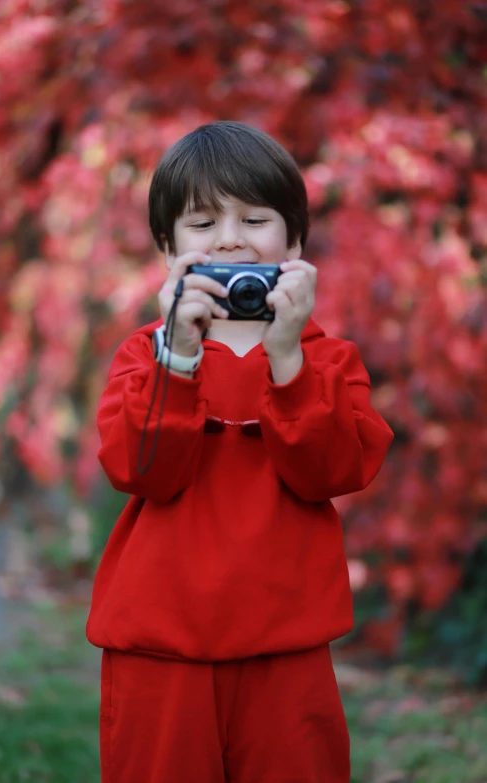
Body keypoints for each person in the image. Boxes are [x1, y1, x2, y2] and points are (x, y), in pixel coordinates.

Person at [86, 120, 394, 783]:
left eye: (255, 218)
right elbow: (139, 470)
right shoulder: (147, 354)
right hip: (159, 649)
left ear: (295, 241)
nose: (229, 237)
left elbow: (332, 472)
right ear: (168, 248)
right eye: (202, 222)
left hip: (287, 647)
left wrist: (287, 359)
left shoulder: (328, 359)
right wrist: (180, 355)